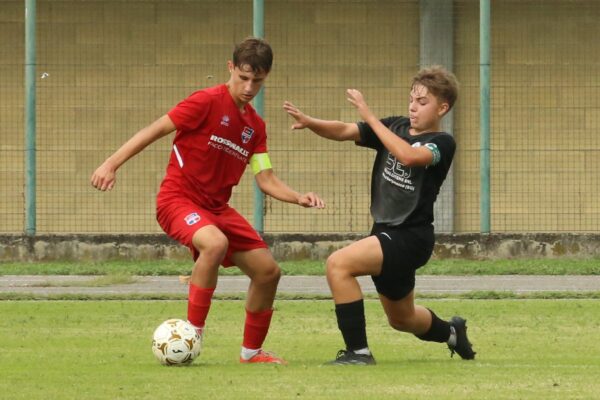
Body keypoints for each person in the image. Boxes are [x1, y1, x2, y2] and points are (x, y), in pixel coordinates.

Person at [91, 37, 325, 365]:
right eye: (243, 78)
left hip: (217, 209)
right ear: (230, 68)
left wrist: (298, 197)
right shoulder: (205, 102)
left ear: (266, 77)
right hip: (178, 200)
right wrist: (110, 163)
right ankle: (192, 334)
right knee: (214, 244)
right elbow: (154, 130)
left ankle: (251, 353)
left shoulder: (255, 127)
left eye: (257, 81)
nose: (248, 87)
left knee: (269, 272)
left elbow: (265, 178)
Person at [283, 66, 475, 365]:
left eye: (422, 102)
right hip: (385, 232)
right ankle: (453, 333)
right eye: (412, 99)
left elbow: (409, 156)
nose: (413, 107)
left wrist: (369, 114)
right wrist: (310, 122)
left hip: (410, 237)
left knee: (338, 265)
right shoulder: (395, 127)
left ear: (442, 107)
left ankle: (357, 353)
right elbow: (345, 130)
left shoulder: (442, 142)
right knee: (402, 319)